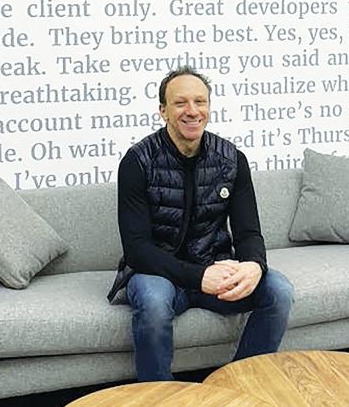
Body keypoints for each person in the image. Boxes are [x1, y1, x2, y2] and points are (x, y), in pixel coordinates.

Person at [107, 66, 294, 381]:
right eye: (180, 103)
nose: (192, 111)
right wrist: (198, 276)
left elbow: (248, 232)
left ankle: (240, 385)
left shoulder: (231, 159)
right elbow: (137, 249)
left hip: (214, 269)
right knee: (153, 302)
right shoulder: (137, 162)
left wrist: (254, 265)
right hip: (157, 273)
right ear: (163, 111)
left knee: (279, 290)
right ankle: (160, 397)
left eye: (200, 102)